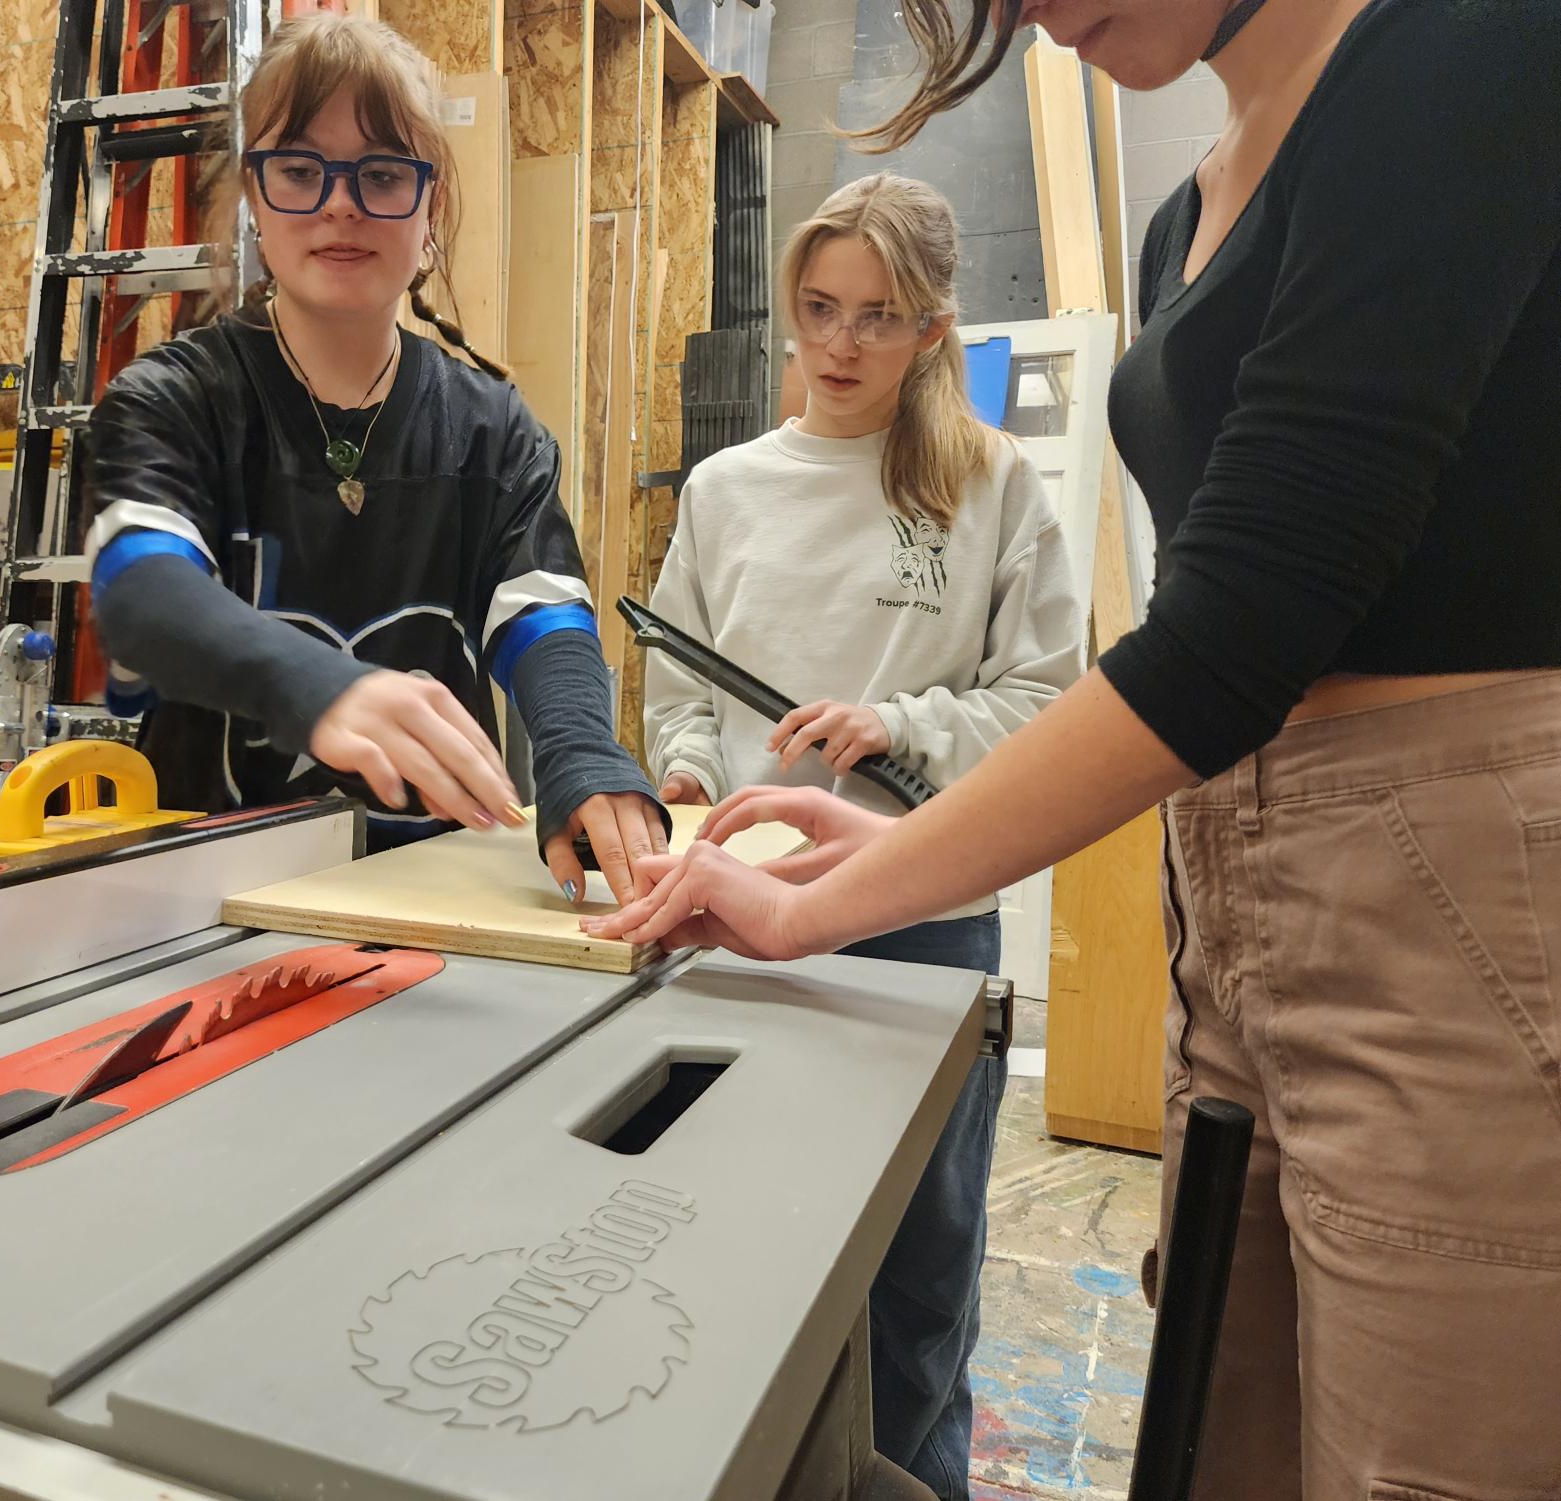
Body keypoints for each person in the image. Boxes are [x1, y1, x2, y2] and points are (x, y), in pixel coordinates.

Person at [588, 1, 1561, 1496]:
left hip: (1456, 897)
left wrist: (842, 889)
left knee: (1427, 1444)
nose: (1031, 12)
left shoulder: (1467, 45)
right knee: (1228, 1425)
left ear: (926, 332)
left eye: (877, 313)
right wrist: (870, 842)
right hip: (1231, 907)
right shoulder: (1188, 206)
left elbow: (1232, 634)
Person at [642, 172, 1081, 1496]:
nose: (837, 347)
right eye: (817, 310)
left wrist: (902, 725)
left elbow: (1049, 715)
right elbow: (682, 688)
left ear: (936, 328)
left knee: (916, 1276)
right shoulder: (726, 489)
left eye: (878, 318)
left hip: (923, 926)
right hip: (737, 923)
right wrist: (677, 777)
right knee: (728, 1250)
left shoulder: (991, 488)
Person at [83, 13, 666, 897]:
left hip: (436, 902)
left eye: (383, 173)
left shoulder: (493, 431)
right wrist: (320, 687)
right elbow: (143, 596)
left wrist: (583, 750)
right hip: (209, 909)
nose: (340, 203)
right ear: (253, 197)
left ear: (429, 205)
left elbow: (543, 622)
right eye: (301, 170)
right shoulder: (171, 399)